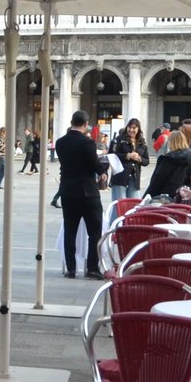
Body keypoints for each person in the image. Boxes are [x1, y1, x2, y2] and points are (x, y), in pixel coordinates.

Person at [54, 112, 107, 278]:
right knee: (95, 231)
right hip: (87, 192)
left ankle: (71, 268)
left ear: (71, 122)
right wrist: (103, 169)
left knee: (70, 230)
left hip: (68, 191)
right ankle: (91, 267)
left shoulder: (60, 142)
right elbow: (94, 165)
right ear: (85, 124)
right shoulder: (87, 142)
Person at [145, 129, 191, 200]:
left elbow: (157, 181)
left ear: (171, 142)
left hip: (165, 198)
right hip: (185, 197)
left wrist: (146, 197)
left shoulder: (168, 159)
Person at [108, 119, 147, 204]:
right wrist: (127, 156)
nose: (131, 130)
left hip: (134, 177)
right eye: (129, 127)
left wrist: (140, 159)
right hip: (120, 175)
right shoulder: (119, 139)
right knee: (119, 204)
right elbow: (111, 155)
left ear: (138, 129)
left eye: (134, 128)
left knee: (134, 204)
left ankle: (131, 218)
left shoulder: (142, 142)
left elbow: (146, 161)